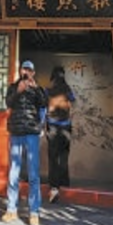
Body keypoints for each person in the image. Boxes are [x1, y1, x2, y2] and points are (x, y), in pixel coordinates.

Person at [1, 59, 48, 225]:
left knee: (33, 174)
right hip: (16, 132)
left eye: (29, 70)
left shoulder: (38, 89)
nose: (26, 72)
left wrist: (35, 89)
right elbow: (8, 103)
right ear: (20, 71)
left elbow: (44, 104)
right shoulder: (13, 87)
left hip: (32, 134)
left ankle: (34, 211)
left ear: (33, 73)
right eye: (24, 69)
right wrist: (19, 91)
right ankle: (11, 209)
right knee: (13, 173)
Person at [44, 65, 76, 203]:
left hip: (52, 126)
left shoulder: (48, 90)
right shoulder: (67, 89)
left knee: (52, 157)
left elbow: (42, 106)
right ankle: (65, 184)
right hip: (66, 126)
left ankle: (54, 186)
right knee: (64, 156)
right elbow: (73, 100)